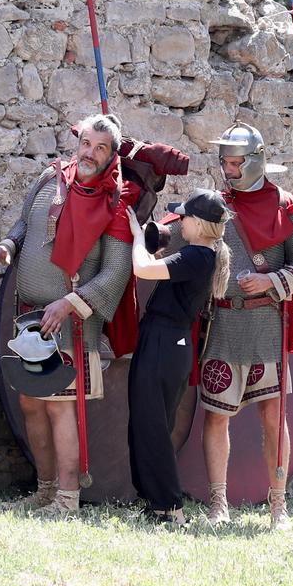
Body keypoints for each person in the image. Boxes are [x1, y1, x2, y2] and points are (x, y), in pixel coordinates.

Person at [0, 114, 134, 515]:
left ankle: (68, 499)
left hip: (72, 321)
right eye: (86, 143)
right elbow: (23, 227)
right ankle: (45, 490)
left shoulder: (116, 203)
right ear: (77, 142)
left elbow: (116, 271)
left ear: (111, 154)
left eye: (100, 148)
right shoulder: (50, 179)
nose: (90, 153)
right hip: (29, 315)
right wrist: (6, 248)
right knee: (32, 402)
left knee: (61, 404)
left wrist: (69, 304)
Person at [204, 125, 293, 529]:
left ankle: (278, 505)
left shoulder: (287, 208)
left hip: (267, 323)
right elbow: (181, 232)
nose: (229, 171)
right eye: (225, 163)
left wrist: (271, 281)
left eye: (235, 163)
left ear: (255, 162)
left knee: (273, 416)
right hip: (223, 322)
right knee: (216, 414)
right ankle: (219, 504)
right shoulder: (215, 205)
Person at [124, 190, 229, 527]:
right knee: (149, 422)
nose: (180, 221)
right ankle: (158, 505)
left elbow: (143, 269)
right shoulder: (198, 254)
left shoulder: (198, 256)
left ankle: (172, 508)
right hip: (166, 341)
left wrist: (138, 238)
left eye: (184, 217)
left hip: (166, 342)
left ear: (198, 224)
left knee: (152, 424)